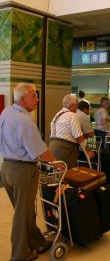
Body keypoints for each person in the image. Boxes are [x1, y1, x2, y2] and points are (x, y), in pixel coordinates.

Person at [0, 83, 60, 261]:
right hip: (23, 171)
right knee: (22, 215)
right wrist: (57, 163)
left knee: (25, 211)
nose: (37, 99)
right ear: (23, 98)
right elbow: (40, 151)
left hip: (7, 168)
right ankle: (20, 255)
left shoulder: (6, 112)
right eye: (34, 96)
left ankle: (36, 242)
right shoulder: (26, 122)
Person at [49, 94, 94, 169]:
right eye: (76, 106)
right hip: (65, 150)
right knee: (67, 175)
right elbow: (79, 137)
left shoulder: (57, 115)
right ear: (72, 105)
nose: (77, 109)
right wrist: (88, 151)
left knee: (56, 175)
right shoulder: (72, 116)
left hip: (52, 148)